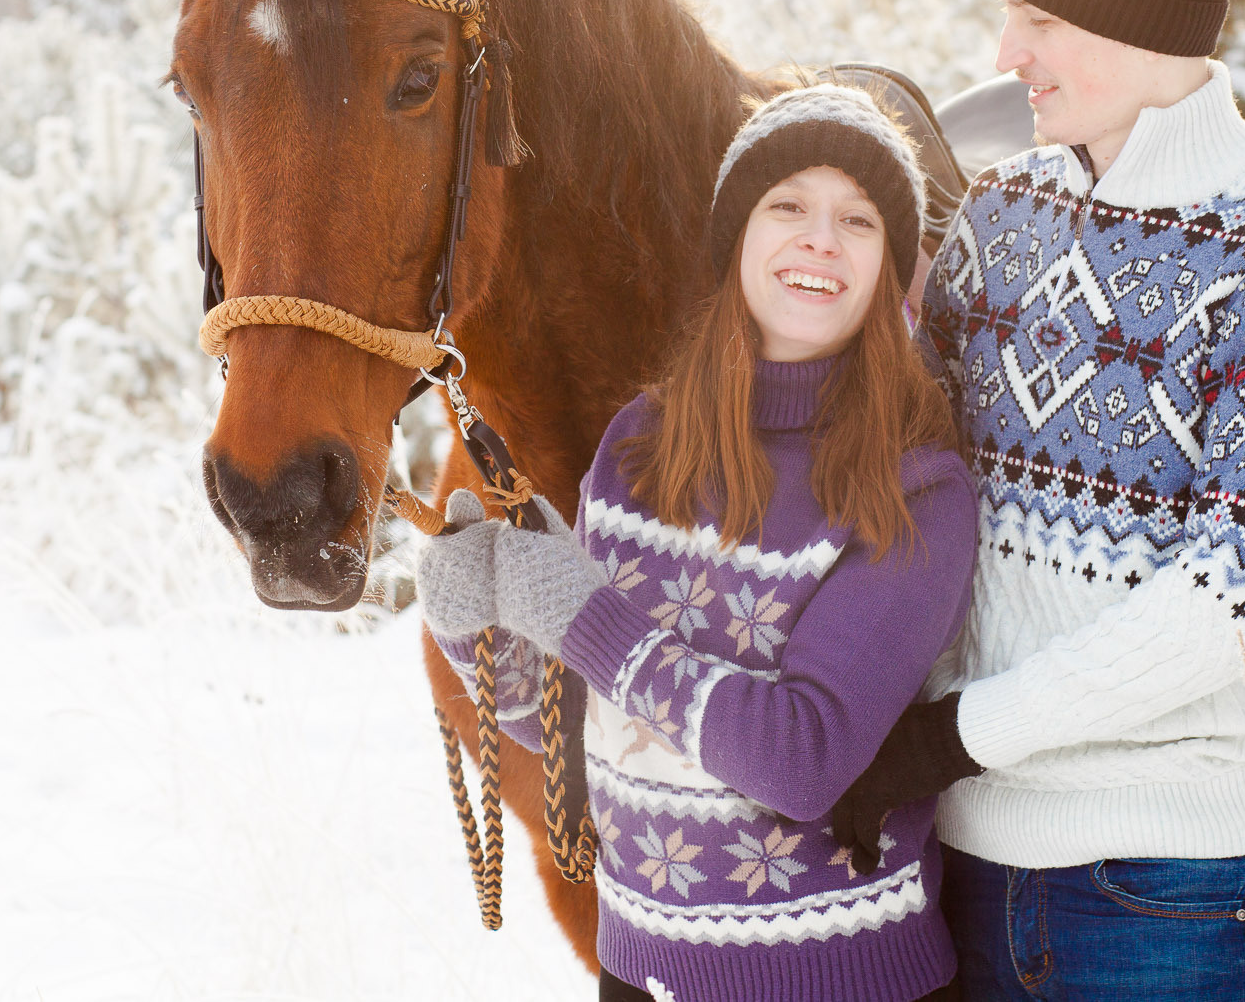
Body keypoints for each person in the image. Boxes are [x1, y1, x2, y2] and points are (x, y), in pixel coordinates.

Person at [825, 0, 1245, 1001]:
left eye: (1037, 16)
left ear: (1137, 20)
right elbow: (889, 476)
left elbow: (1232, 604)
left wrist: (950, 736)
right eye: (1005, 13)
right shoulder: (999, 216)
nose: (1005, 52)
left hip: (1170, 893)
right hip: (962, 872)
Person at [414, 85, 980, 1002]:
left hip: (842, 981)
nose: (820, 240)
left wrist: (580, 612)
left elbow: (803, 759)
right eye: (787, 205)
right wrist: (483, 638)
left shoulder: (916, 486)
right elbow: (600, 726)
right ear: (736, 238)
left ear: (887, 266)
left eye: (858, 220)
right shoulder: (638, 444)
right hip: (640, 973)